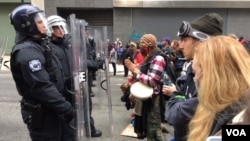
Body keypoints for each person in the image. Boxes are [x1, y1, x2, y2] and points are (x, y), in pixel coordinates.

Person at [9, 4, 75, 141]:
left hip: (55, 109)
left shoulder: (41, 45)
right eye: (39, 22)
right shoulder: (27, 51)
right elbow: (42, 86)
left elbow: (57, 74)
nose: (45, 25)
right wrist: (65, 107)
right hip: (43, 114)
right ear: (27, 25)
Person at [162, 13, 224, 141]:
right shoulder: (193, 68)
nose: (180, 45)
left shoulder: (219, 80)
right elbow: (181, 89)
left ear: (201, 43)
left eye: (185, 40)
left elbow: (177, 116)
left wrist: (176, 97)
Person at [188, 35, 250, 141]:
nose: (195, 78)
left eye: (195, 72)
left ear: (210, 76)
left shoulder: (242, 117)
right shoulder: (214, 107)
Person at [125, 34, 166, 141]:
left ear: (150, 46)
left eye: (143, 45)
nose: (141, 48)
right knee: (148, 128)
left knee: (154, 129)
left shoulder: (158, 58)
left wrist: (137, 72)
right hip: (147, 98)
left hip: (154, 99)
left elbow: (152, 81)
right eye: (141, 44)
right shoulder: (150, 58)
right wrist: (135, 69)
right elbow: (145, 72)